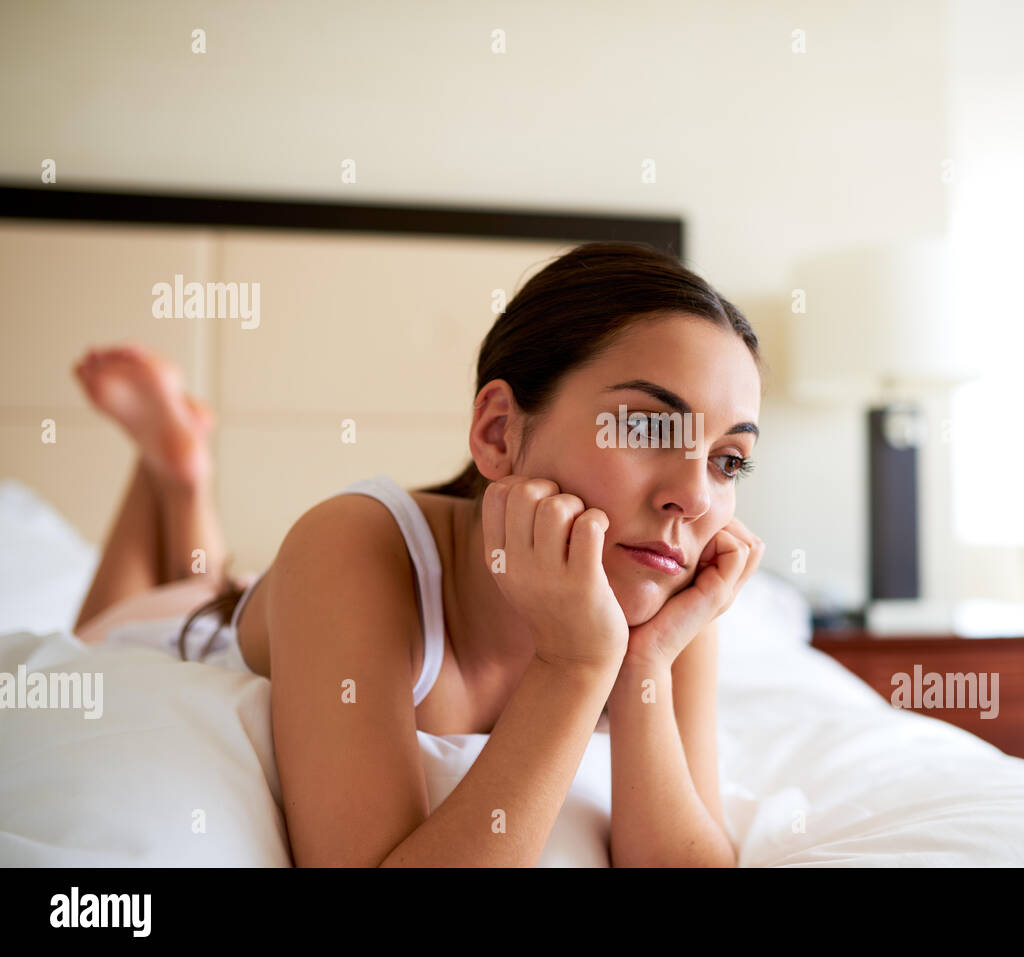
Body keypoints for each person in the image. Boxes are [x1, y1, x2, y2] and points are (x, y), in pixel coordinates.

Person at [71, 240, 766, 867]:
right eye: (646, 426)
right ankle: (175, 476)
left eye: (729, 460)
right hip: (196, 626)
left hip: (270, 602)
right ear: (497, 431)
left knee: (209, 580)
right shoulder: (352, 542)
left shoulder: (667, 589)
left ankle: (180, 476)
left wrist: (642, 660)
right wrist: (575, 663)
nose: (694, 497)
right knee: (135, 612)